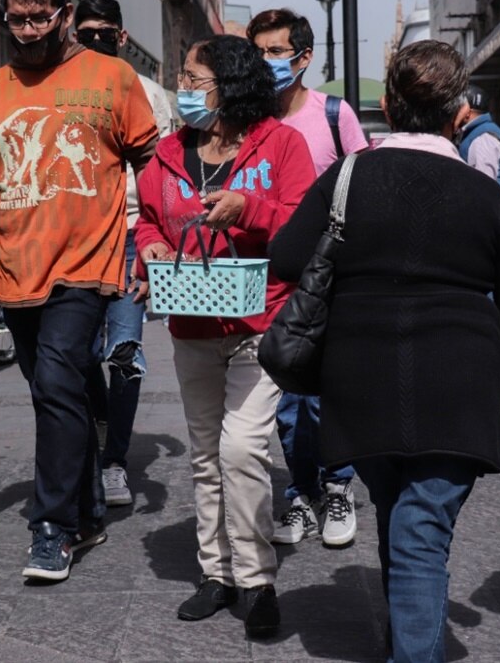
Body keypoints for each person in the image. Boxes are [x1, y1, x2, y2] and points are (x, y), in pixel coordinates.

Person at [270, 39, 500, 663]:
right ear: (458, 112)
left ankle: (407, 639)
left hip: (359, 380)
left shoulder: (348, 176)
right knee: (420, 528)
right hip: (460, 383)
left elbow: (286, 257)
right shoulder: (482, 194)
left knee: (402, 516)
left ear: (388, 107)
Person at [0, 0, 159, 583]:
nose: (27, 30)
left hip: (89, 265)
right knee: (63, 391)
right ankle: (86, 511)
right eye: (16, 19)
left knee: (56, 385)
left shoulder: (111, 76)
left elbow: (152, 162)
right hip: (16, 269)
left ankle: (52, 527)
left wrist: (157, 246)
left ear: (64, 15)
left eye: (39, 18)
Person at [134, 35, 315, 637]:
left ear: (230, 83)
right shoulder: (167, 152)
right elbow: (151, 222)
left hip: (260, 323)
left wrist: (250, 207)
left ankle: (258, 579)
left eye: (194, 78)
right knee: (207, 455)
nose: (184, 88)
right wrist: (151, 247)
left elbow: (302, 223)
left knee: (243, 450)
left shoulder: (281, 144)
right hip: (190, 322)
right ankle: (217, 573)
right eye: (184, 78)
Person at [246, 7, 369, 548]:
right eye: (259, 52)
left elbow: (364, 183)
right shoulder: (249, 120)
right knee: (285, 390)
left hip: (330, 271)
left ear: (303, 57)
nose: (267, 62)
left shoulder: (334, 113)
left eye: (276, 52)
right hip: (272, 273)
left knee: (330, 388)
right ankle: (299, 492)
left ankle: (337, 484)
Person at [73, 0, 175, 507]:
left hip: (136, 235)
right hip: (80, 237)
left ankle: (114, 461)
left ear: (122, 36)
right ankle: (100, 422)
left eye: (103, 31)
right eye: (84, 30)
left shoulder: (152, 95)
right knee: (81, 351)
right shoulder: (61, 88)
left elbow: (166, 172)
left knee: (127, 354)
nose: (94, 40)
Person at [457, 84, 500, 201]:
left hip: (489, 214)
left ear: (467, 111)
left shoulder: (483, 137)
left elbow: (484, 185)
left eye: (458, 106)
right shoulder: (477, 133)